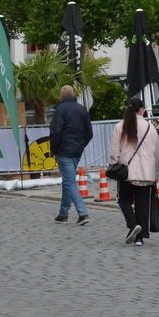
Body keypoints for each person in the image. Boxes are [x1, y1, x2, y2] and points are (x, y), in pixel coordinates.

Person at [112, 96, 159, 245]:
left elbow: (115, 151)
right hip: (146, 173)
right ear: (141, 110)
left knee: (124, 200)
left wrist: (114, 165)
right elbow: (156, 153)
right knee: (142, 204)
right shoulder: (150, 127)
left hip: (127, 172)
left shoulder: (120, 126)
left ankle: (133, 225)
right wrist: (156, 173)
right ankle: (140, 238)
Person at [49, 85, 93, 224]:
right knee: (67, 181)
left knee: (69, 181)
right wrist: (81, 145)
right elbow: (89, 133)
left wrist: (54, 149)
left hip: (64, 150)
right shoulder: (82, 109)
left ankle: (82, 213)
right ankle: (63, 213)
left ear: (61, 96)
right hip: (77, 150)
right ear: (73, 94)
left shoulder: (60, 109)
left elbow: (55, 131)